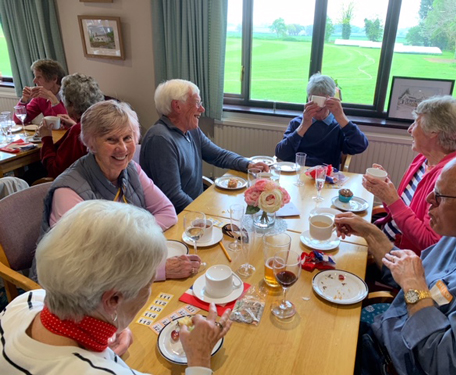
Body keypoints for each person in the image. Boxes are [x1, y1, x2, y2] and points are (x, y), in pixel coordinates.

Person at [0, 200, 231, 374]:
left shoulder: (29, 300)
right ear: (113, 301)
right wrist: (199, 360)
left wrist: (112, 326)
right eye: (149, 282)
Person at [335, 151, 456, 375]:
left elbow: (443, 364)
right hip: (379, 335)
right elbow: (406, 270)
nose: (428, 200)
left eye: (440, 196)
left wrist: (414, 287)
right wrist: (370, 233)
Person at [33, 100, 200, 281]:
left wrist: (130, 242)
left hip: (123, 271)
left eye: (127, 138)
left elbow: (167, 213)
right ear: (91, 143)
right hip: (71, 289)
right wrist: (158, 270)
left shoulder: (131, 169)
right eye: (111, 139)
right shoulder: (69, 192)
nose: (122, 148)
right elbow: (86, 265)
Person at [363, 96, 456, 255]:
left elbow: (429, 243)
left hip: (401, 257)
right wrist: (386, 192)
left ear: (434, 132)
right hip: (385, 236)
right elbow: (401, 211)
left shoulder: (452, 178)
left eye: (416, 122)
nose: (410, 129)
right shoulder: (422, 160)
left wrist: (392, 200)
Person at [140, 79, 269, 213]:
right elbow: (173, 196)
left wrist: (248, 164)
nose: (202, 109)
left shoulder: (191, 130)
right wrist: (204, 214)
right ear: (177, 106)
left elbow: (218, 155)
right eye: (197, 103)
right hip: (178, 220)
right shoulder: (160, 139)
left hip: (195, 207)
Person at [274, 73, 368, 168]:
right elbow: (281, 154)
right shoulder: (298, 123)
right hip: (299, 175)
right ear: (309, 98)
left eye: (323, 99)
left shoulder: (338, 126)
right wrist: (304, 126)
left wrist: (341, 117)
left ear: (331, 99)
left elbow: (360, 146)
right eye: (314, 98)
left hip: (326, 177)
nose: (318, 105)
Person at [39, 73, 104, 178]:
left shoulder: (79, 130)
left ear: (72, 104)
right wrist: (74, 125)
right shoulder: (101, 119)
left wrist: (46, 137)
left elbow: (55, 170)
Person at [14, 59, 67, 124]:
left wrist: (53, 99)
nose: (34, 81)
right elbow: (18, 120)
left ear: (54, 79)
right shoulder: (40, 97)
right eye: (35, 77)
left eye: (39, 77)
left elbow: (68, 122)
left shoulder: (69, 94)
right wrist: (24, 100)